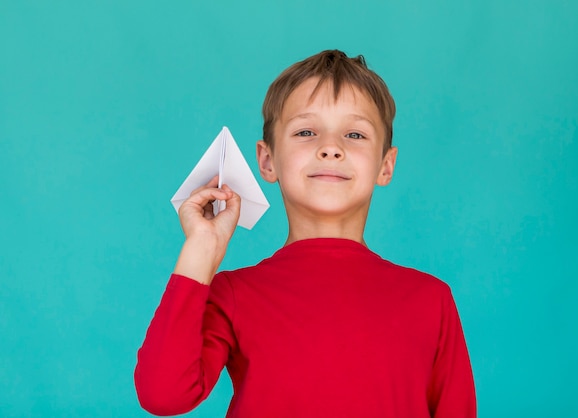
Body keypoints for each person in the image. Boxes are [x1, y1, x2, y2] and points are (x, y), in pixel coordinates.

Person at [135, 50, 476, 418]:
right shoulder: (233, 294)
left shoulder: (431, 300)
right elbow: (163, 395)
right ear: (267, 160)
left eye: (355, 133)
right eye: (306, 132)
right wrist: (201, 248)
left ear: (386, 164)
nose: (331, 148)